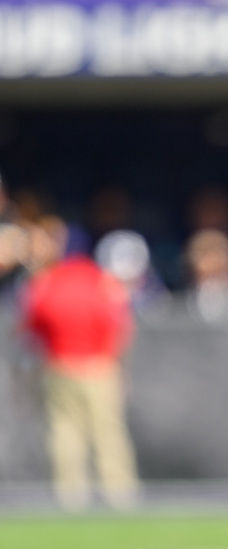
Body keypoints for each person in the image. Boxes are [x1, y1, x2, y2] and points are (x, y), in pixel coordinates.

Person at [20, 214, 140, 510]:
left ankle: (70, 496)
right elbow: (119, 325)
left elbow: (33, 325)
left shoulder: (46, 283)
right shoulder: (100, 281)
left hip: (60, 365)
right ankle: (119, 494)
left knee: (65, 432)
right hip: (97, 366)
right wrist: (114, 361)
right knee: (106, 431)